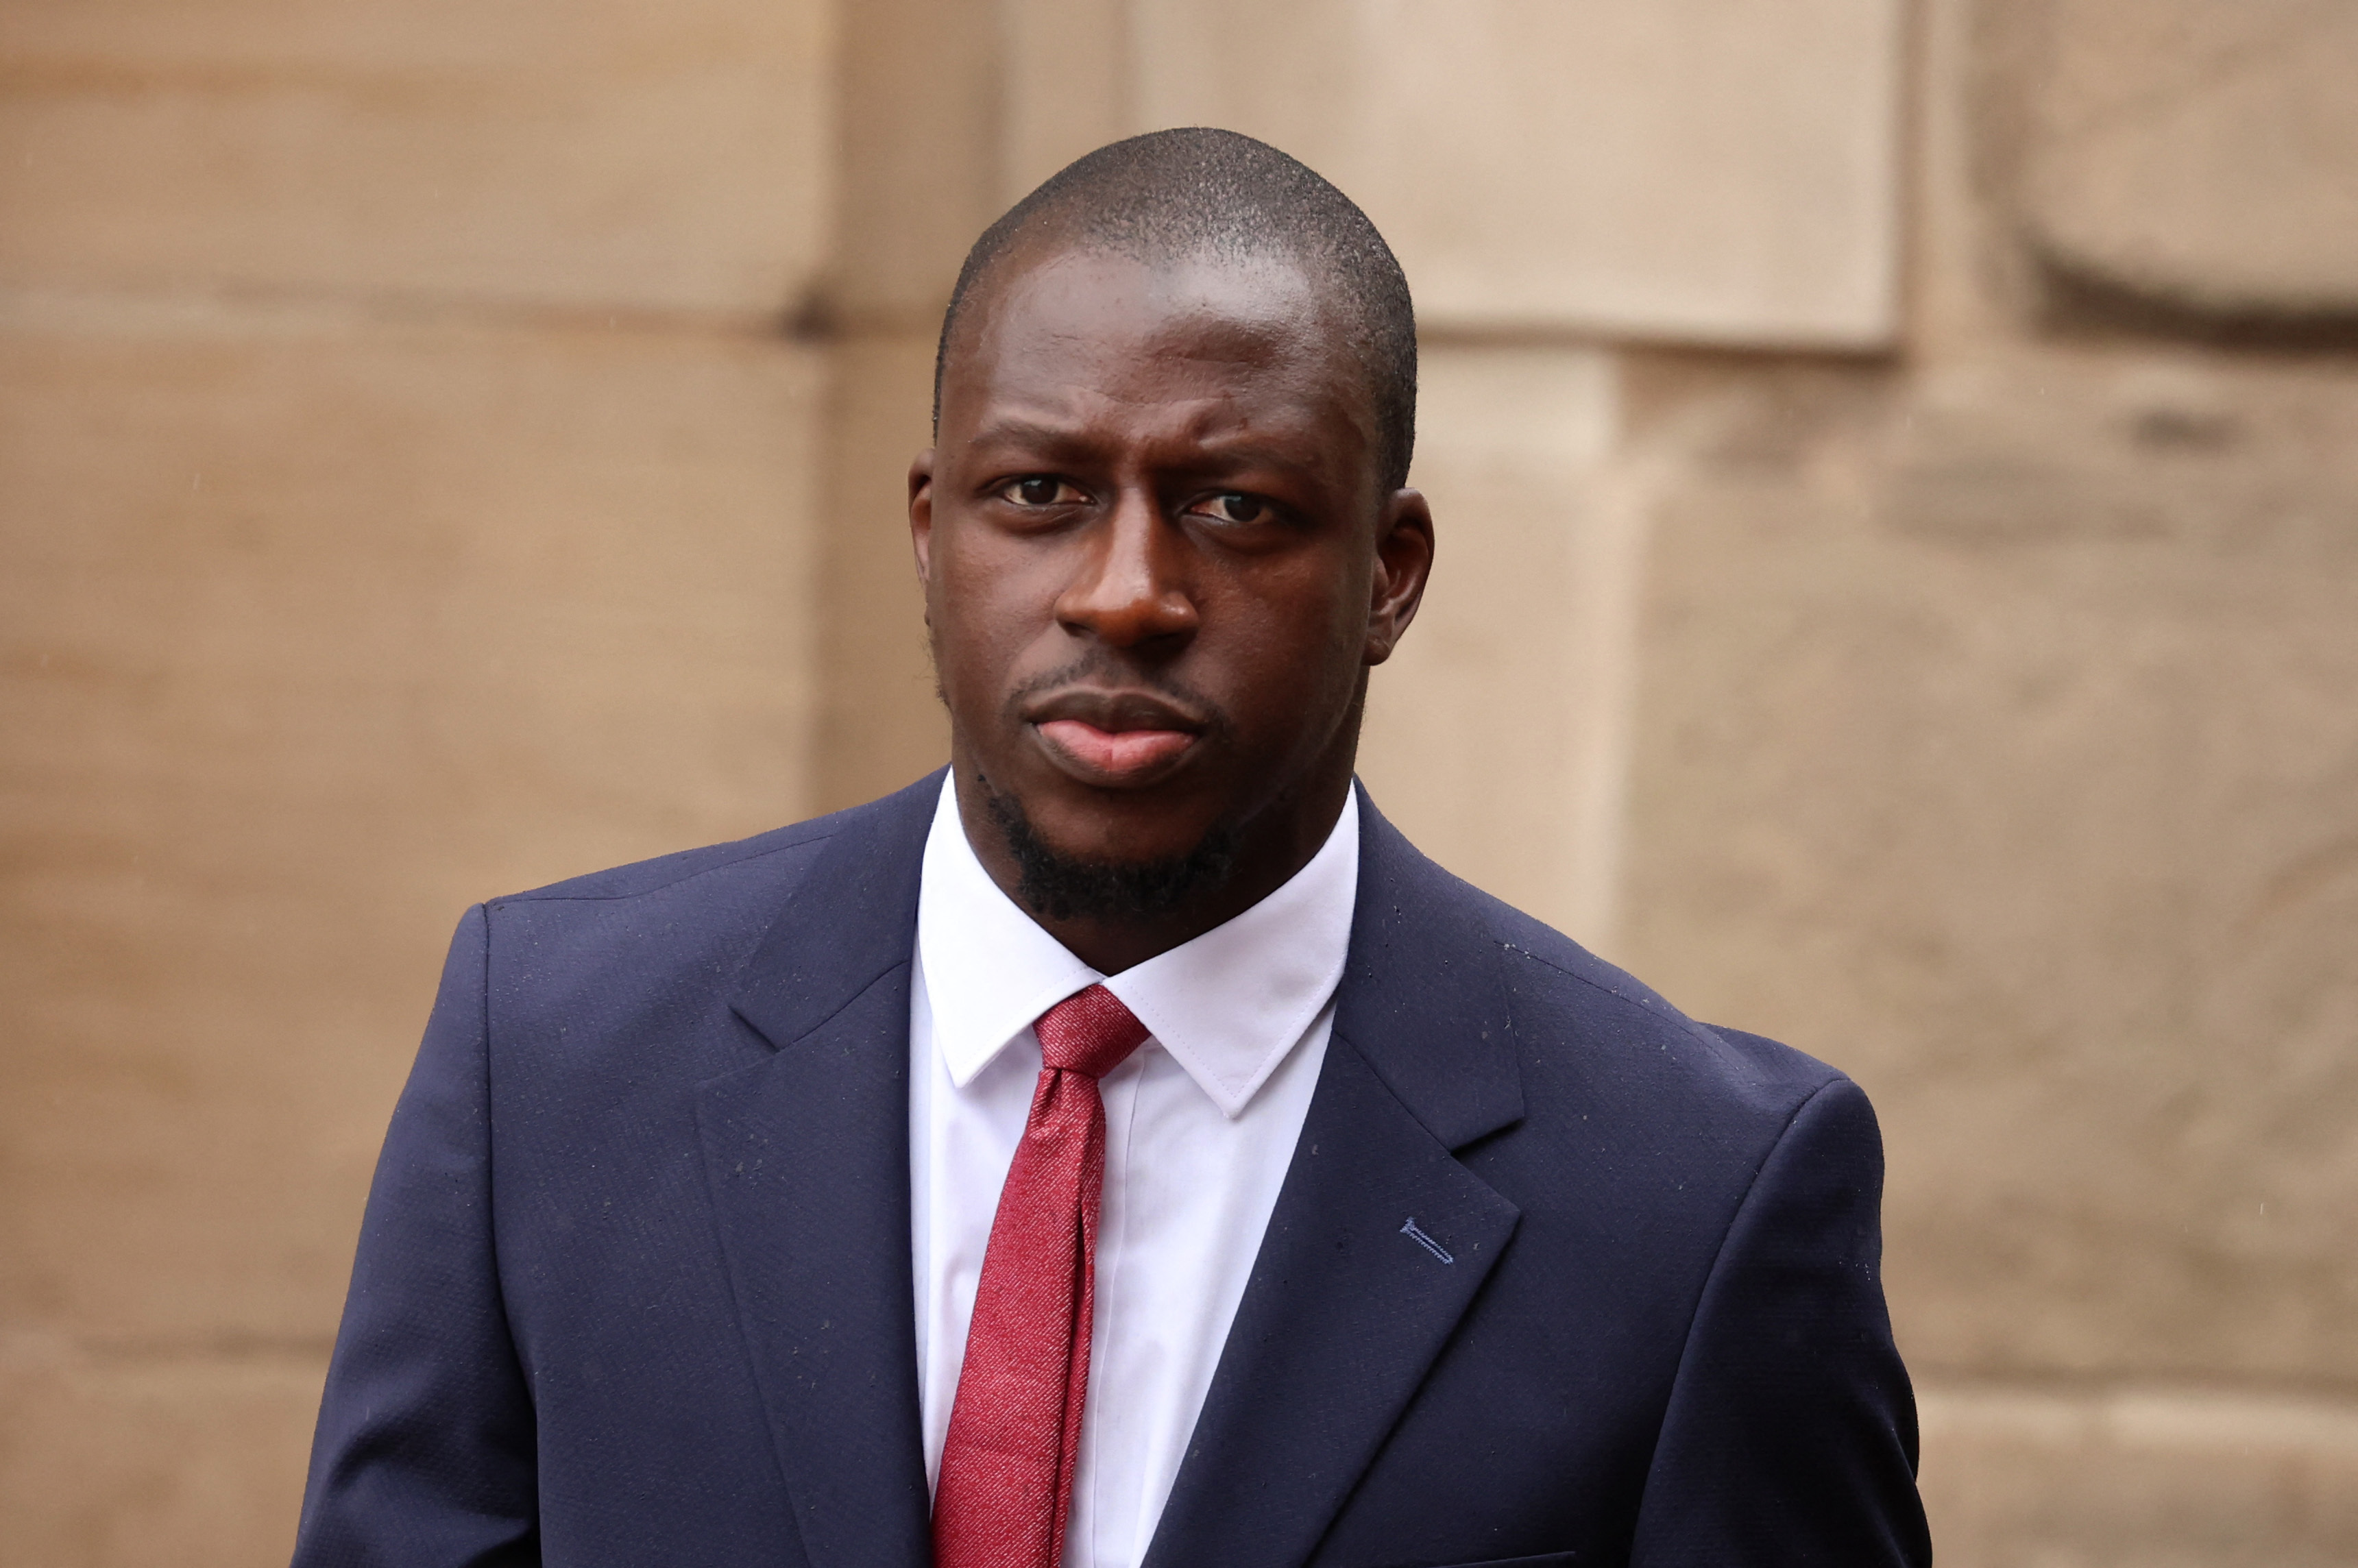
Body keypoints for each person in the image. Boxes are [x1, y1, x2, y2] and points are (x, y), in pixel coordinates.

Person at [292, 129, 1930, 1568]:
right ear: (929, 533)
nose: (1124, 592)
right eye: (1039, 492)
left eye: (1235, 507)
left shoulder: (1693, 1195)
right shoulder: (557, 1057)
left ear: (1388, 574)